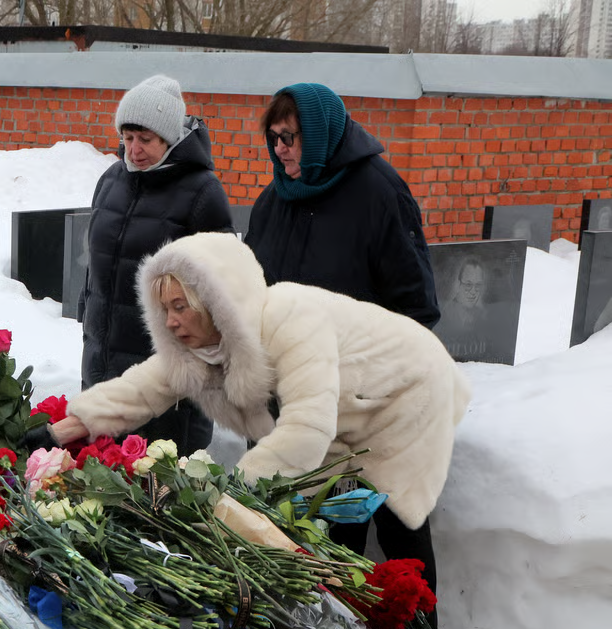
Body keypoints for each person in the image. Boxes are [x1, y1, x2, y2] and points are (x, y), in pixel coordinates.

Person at [53, 233, 470, 600]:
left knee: (397, 520)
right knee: (335, 519)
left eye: (180, 306)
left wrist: (228, 495)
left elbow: (308, 428)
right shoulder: (206, 346)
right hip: (344, 409)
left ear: (214, 302)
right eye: (164, 309)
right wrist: (67, 427)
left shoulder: (291, 317)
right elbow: (142, 388)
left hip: (406, 389)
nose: (171, 322)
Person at [80, 74, 233, 457]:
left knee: (155, 496)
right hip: (102, 364)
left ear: (169, 138)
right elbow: (95, 267)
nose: (134, 149)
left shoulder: (201, 193)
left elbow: (224, 293)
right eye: (127, 137)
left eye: (145, 139)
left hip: (167, 385)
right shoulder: (111, 180)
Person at [243, 83, 440, 329]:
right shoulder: (273, 198)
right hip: (283, 360)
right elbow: (250, 285)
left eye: (287, 137)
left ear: (316, 134)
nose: (279, 148)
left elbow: (417, 310)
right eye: (273, 138)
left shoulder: (382, 195)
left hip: (351, 363)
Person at [432, 257, 489, 360]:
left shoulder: (482, 316)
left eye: (478, 285)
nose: (473, 291)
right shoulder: (444, 313)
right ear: (458, 285)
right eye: (468, 284)